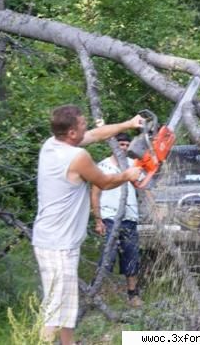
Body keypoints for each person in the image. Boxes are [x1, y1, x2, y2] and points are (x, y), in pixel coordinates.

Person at [32, 105, 144, 345]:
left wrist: (128, 124)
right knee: (56, 307)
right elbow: (104, 182)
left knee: (67, 301)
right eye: (82, 125)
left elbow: (96, 134)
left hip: (53, 239)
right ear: (72, 133)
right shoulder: (77, 157)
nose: (87, 128)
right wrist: (129, 174)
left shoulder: (52, 144)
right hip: (57, 243)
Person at [91, 132, 142, 307]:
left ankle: (133, 295)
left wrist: (155, 206)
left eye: (127, 145)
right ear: (114, 145)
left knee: (131, 255)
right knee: (108, 256)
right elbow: (95, 193)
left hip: (130, 217)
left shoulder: (133, 165)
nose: (124, 148)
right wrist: (98, 219)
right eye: (121, 144)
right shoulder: (102, 166)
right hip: (109, 218)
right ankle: (95, 294)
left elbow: (144, 186)